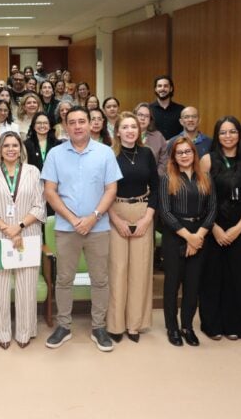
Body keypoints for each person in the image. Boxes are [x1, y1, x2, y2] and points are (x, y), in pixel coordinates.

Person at [42, 106, 122, 352]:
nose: (77, 126)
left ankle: (99, 326)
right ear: (65, 126)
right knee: (64, 279)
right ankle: (64, 326)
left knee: (100, 279)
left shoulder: (105, 153)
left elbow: (111, 190)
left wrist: (93, 216)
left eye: (81, 121)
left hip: (98, 228)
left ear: (90, 124)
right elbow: (50, 191)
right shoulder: (55, 154)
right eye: (72, 122)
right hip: (67, 228)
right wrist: (74, 219)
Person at [0, 133, 46, 349]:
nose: (11, 149)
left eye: (15, 145)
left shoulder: (33, 172)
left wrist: (19, 227)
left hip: (28, 234)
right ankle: (1, 332)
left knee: (27, 286)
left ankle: (25, 332)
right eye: (6, 145)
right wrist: (7, 228)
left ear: (21, 148)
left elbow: (39, 205)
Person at [199, 116, 241, 340]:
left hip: (240, 224)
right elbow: (202, 198)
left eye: (232, 131)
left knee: (236, 275)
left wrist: (239, 227)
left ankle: (234, 324)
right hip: (212, 224)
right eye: (223, 132)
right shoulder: (207, 160)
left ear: (239, 134)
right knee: (212, 274)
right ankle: (212, 325)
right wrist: (213, 227)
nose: (228, 136)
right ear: (217, 136)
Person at [106, 112, 159, 344]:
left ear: (139, 131)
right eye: (125, 127)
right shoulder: (109, 155)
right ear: (117, 131)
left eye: (133, 127)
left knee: (140, 271)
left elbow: (156, 188)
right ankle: (116, 325)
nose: (129, 131)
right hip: (116, 212)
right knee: (118, 270)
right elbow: (102, 190)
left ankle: (134, 324)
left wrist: (147, 218)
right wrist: (116, 220)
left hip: (143, 212)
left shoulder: (147, 154)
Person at [159, 136, 217, 347]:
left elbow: (212, 210)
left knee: (193, 285)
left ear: (194, 153)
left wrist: (198, 236)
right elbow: (165, 212)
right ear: (174, 156)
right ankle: (172, 327)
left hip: (200, 235)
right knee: (172, 284)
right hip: (176, 236)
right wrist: (188, 237)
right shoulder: (167, 178)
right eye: (179, 152)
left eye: (188, 151)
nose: (184, 155)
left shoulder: (206, 178)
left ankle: (187, 327)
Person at [134, 102, 168, 174]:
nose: (143, 118)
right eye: (140, 115)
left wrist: (154, 178)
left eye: (147, 116)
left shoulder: (158, 137)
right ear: (134, 116)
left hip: (153, 181)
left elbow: (164, 162)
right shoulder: (126, 135)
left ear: (150, 120)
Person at [149, 75, 185, 140]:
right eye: (159, 86)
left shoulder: (181, 109)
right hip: (153, 149)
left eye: (166, 86)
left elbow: (185, 131)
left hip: (175, 148)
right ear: (155, 89)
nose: (162, 88)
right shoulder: (148, 109)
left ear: (171, 89)